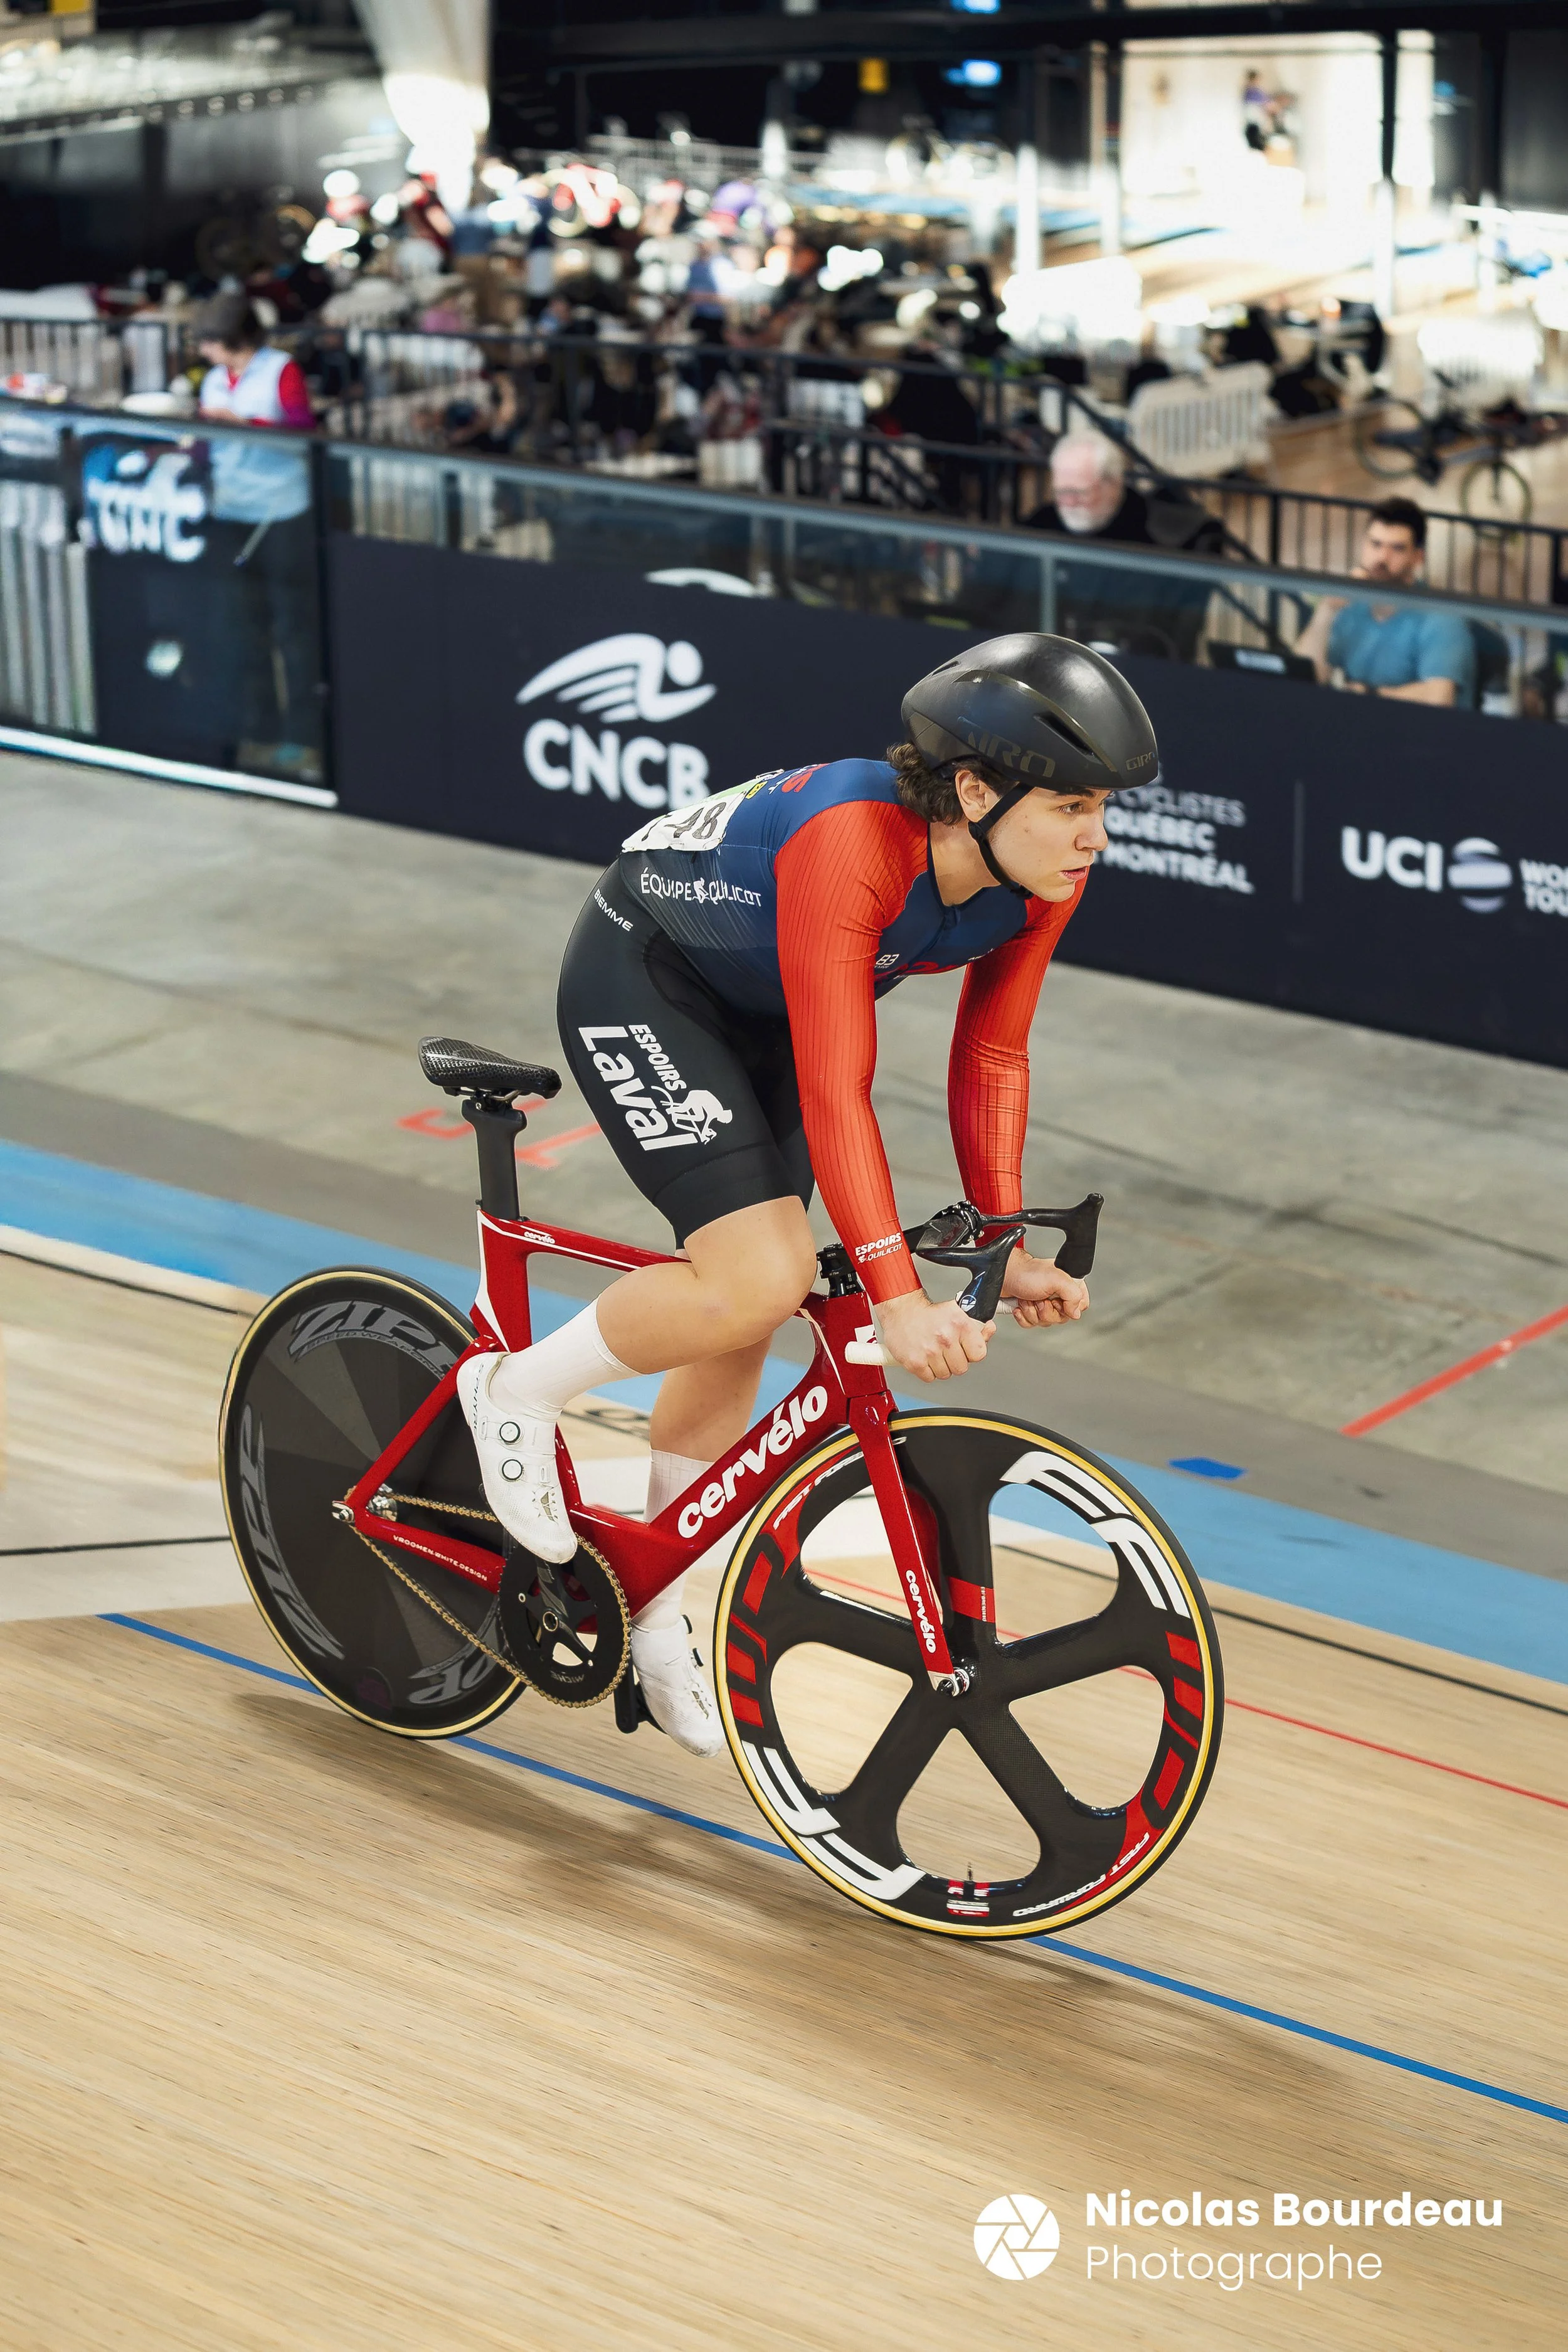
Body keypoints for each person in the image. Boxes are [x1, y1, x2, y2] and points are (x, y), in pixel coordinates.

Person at [456, 637, 1157, 1754]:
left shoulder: (1041, 878)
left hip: (766, 1009)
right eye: (1074, 804)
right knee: (763, 1276)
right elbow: (841, 1089)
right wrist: (893, 1299)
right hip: (649, 974)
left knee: (750, 1304)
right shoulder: (853, 842)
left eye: (1102, 807)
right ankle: (514, 1389)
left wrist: (1002, 1242)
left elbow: (992, 1056)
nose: (1096, 834)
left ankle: (649, 1595)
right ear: (975, 790)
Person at [193, 293, 320, 778]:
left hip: (281, 510)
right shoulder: (211, 381)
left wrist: (247, 425)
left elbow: (305, 432)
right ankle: (259, 729)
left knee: (293, 628)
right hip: (232, 509)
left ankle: (303, 736)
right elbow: (208, 447)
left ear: (229, 339)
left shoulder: (281, 371)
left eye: (207, 341)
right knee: (244, 629)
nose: (202, 351)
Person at [1025, 432, 1223, 660]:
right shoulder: (1040, 525)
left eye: (1079, 492)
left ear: (1114, 484)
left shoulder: (1158, 542)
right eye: (1061, 492)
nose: (1068, 503)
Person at [1295, 498, 1475, 708]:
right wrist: (1325, 613)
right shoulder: (1350, 604)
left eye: (1397, 549)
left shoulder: (1441, 617)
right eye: (1375, 544)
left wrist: (1371, 695)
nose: (1382, 557)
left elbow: (1440, 697)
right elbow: (1309, 674)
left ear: (1418, 557)